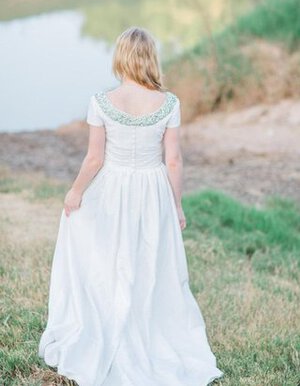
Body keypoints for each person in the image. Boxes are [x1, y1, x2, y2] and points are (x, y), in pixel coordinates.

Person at [38, 26, 224, 385]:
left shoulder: (103, 101)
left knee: (108, 259)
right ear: (150, 57)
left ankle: (106, 321)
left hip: (112, 187)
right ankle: (144, 321)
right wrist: (177, 205)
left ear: (120, 57)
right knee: (147, 258)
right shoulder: (168, 103)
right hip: (152, 189)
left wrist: (75, 192)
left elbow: (94, 159)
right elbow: (174, 161)